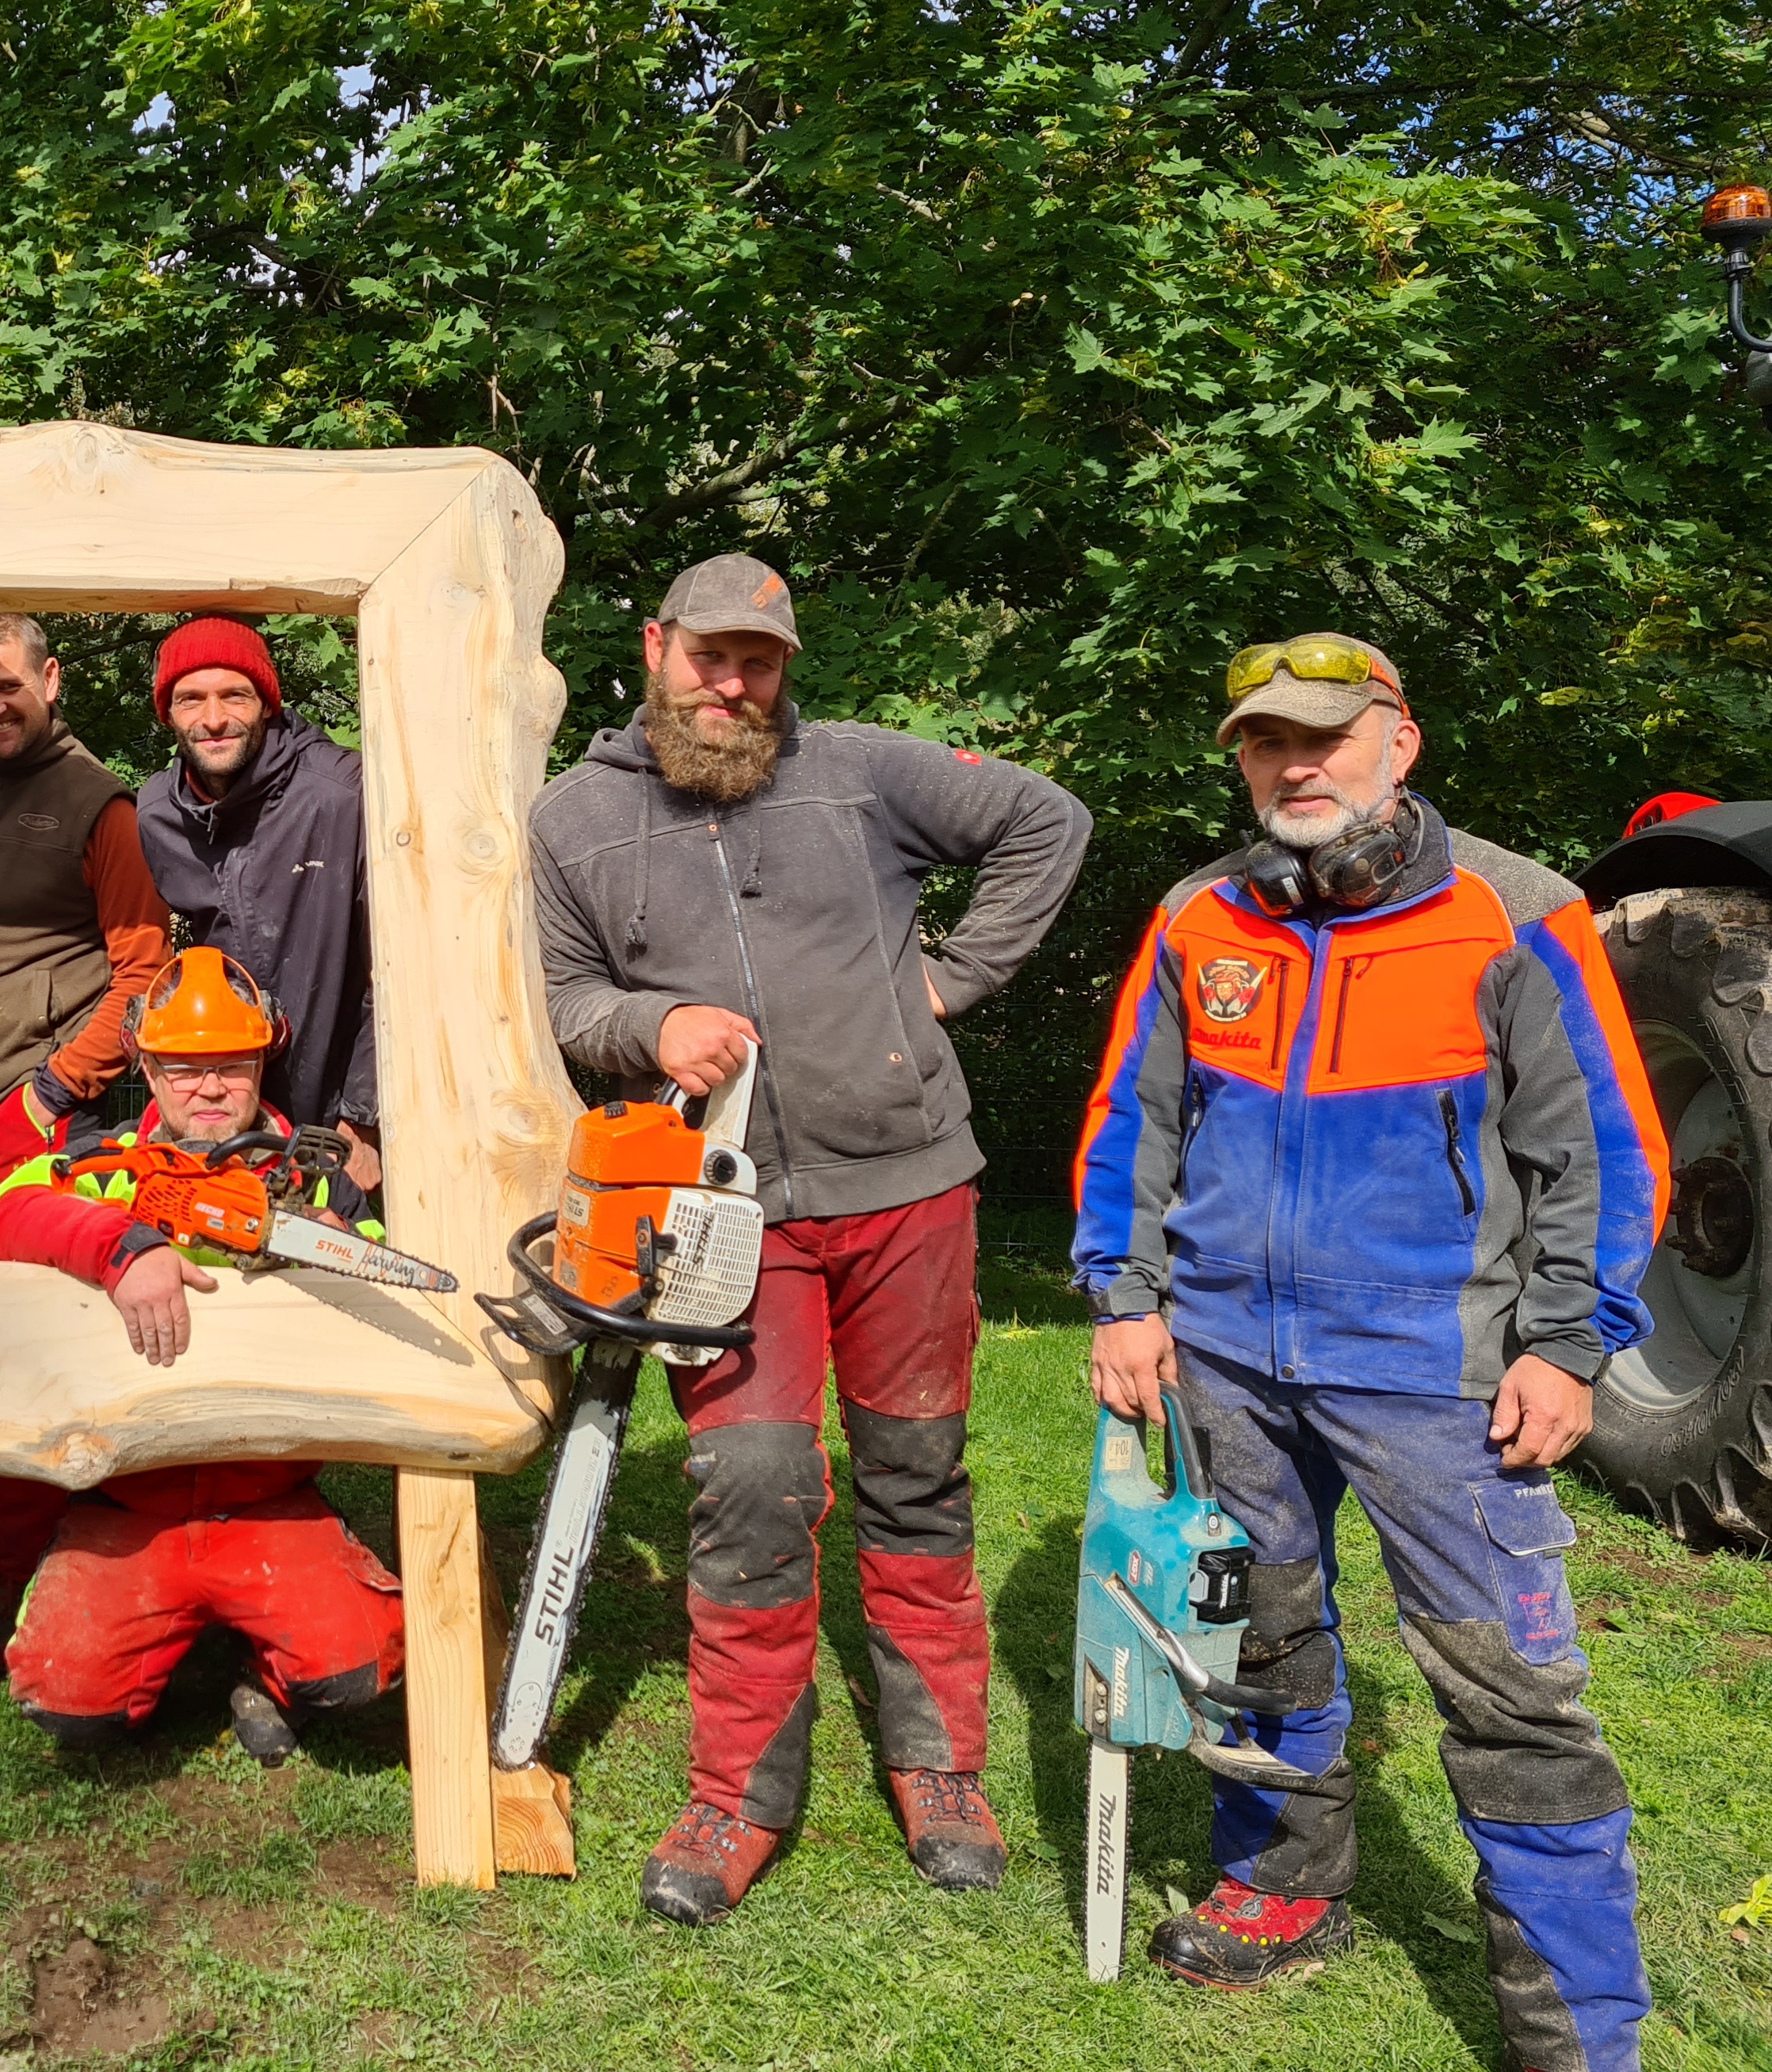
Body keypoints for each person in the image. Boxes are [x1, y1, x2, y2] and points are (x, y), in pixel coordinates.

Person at [1075, 634, 1663, 2061]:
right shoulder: (1197, 914)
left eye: (1327, 736)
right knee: (1258, 1633)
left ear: (1399, 742)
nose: (1296, 761)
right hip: (1221, 1349)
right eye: (1268, 739)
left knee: (1505, 1686)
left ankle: (1577, 2018)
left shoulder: (1517, 913)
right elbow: (1129, 1124)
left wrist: (1568, 1345)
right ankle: (1286, 1880)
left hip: (1436, 1365)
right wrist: (1125, 1294)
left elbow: (1603, 1146)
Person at [529, 552, 1091, 1927]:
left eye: (759, 659)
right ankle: (737, 1789)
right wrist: (647, 1025)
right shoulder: (571, 818)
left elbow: (1047, 819)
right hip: (723, 1209)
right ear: (655, 646)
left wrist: (945, 986)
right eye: (710, 654)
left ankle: (939, 1759)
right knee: (750, 1486)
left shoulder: (859, 770)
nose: (733, 682)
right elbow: (563, 990)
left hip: (908, 1186)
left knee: (915, 1468)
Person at [0, 949, 407, 1763]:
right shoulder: (103, 1163)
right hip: (130, 1494)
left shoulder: (311, 1180)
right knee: (64, 1697)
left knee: (358, 1661)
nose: (208, 1089)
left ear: (261, 1062)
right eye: (182, 1069)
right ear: (146, 1064)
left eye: (230, 1067)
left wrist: (340, 1251)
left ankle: (265, 1671)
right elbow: (7, 1207)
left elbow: (380, 1266)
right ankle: (141, 1636)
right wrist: (121, 1244)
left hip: (266, 1488)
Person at [0, 610, 173, 1669]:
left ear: (50, 680)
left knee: (40, 1333)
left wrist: (56, 1091)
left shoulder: (99, 805)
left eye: (9, 685)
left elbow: (143, 973)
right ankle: (19, 1493)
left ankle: (25, 1574)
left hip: (35, 1111)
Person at [134, 617, 379, 1183]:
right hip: (222, 1103)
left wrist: (364, 1116)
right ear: (167, 712)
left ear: (267, 704)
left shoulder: (342, 795)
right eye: (190, 699)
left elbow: (399, 967)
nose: (213, 719)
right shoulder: (157, 816)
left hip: (338, 1104)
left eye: (234, 696)